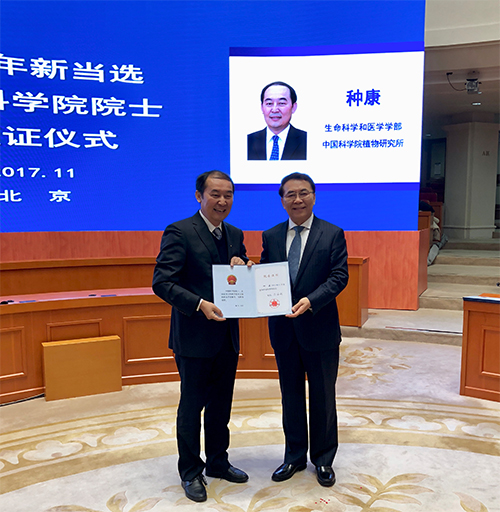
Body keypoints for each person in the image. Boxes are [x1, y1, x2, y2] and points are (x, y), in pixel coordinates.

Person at [152, 170, 252, 503]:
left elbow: (237, 273)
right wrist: (198, 304)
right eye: (215, 194)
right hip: (194, 337)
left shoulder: (235, 234)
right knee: (192, 407)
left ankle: (218, 462)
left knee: (221, 405)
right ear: (199, 196)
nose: (222, 201)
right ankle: (190, 471)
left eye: (228, 195)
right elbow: (162, 282)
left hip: (226, 337)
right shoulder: (180, 231)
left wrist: (245, 264)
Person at [260, 172, 348, 487]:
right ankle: (294, 456)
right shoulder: (271, 236)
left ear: (313, 195)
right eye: (290, 194)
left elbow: (339, 277)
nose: (297, 199)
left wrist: (311, 300)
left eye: (304, 193)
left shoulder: (332, 233)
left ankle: (323, 459)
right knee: (291, 395)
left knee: (323, 396)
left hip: (320, 328)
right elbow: (266, 275)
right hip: (284, 330)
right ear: (282, 200)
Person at [248, 81, 307, 160]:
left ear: (293, 107)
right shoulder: (248, 141)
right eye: (269, 104)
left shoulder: (306, 141)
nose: (275, 110)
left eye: (281, 103)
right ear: (262, 107)